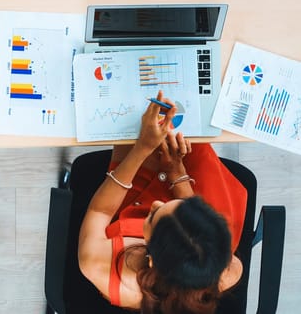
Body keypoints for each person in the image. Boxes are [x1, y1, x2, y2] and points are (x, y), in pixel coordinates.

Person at [78, 90, 248, 314]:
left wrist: (142, 149)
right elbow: (191, 230)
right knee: (188, 135)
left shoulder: (97, 263)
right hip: (178, 210)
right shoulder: (229, 269)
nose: (157, 203)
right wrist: (177, 172)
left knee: (130, 127)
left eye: (153, 215)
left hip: (126, 210)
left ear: (150, 260)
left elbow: (99, 211)